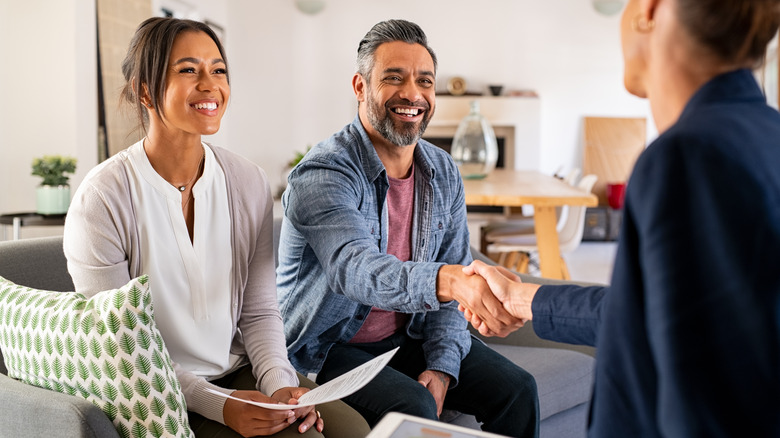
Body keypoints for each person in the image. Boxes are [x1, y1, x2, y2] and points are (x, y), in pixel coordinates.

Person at [462, 0, 780, 436]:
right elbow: (654, 315)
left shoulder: (688, 156)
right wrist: (525, 300)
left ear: (649, 9)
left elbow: (699, 394)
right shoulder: (766, 135)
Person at [63, 17, 369, 438]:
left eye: (218, 70)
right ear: (145, 90)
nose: (210, 84)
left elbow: (260, 312)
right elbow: (123, 348)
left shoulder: (247, 181)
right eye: (189, 70)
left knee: (354, 431)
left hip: (236, 372)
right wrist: (221, 407)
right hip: (156, 394)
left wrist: (281, 385)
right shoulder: (102, 198)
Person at [276, 19, 538, 438]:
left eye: (424, 81)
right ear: (360, 87)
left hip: (407, 336)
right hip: (327, 348)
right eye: (393, 78)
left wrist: (441, 365)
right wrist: (450, 280)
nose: (412, 95)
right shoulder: (323, 174)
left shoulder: (442, 171)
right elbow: (355, 269)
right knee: (411, 405)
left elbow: (455, 274)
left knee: (518, 390)